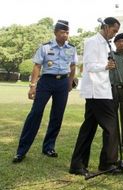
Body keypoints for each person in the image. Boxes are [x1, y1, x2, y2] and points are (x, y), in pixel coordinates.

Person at [12, 20, 77, 163]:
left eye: (67, 32)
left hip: (62, 84)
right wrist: (32, 86)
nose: (65, 35)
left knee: (57, 116)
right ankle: (21, 151)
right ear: (55, 33)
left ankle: (49, 147)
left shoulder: (71, 48)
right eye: (62, 32)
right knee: (35, 113)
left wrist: (70, 82)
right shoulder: (45, 47)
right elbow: (37, 67)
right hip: (46, 82)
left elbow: (72, 66)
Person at [69, 17, 121, 176]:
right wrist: (106, 65)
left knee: (88, 128)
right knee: (112, 127)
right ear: (106, 27)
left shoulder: (106, 43)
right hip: (96, 91)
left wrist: (108, 66)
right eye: (113, 31)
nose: (114, 35)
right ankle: (107, 164)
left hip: (102, 89)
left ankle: (77, 165)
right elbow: (89, 66)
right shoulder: (92, 41)